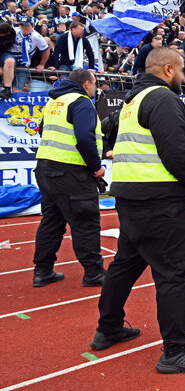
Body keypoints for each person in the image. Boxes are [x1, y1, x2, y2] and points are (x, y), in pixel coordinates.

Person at [91, 48, 185, 374]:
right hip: (160, 204)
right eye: (180, 71)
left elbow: (152, 149)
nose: (183, 77)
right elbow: (175, 152)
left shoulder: (133, 100)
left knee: (125, 264)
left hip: (131, 198)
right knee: (175, 272)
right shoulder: (163, 98)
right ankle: (175, 350)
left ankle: (108, 327)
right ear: (167, 69)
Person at [32, 68, 105, 288]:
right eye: (94, 83)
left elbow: (42, 130)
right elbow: (84, 138)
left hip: (45, 168)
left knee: (51, 222)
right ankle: (93, 272)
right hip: (70, 172)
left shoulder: (55, 102)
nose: (96, 87)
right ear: (86, 84)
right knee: (85, 221)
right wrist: (96, 167)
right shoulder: (81, 102)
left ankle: (42, 271)